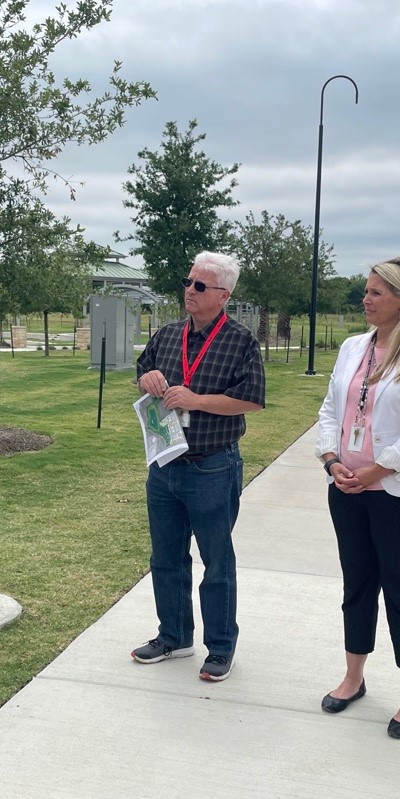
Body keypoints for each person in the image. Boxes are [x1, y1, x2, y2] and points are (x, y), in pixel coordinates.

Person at [315, 257, 400, 738]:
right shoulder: (354, 346)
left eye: (376, 292)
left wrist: (375, 469)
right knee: (357, 585)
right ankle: (353, 677)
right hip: (347, 489)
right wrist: (332, 460)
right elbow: (332, 408)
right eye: (366, 290)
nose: (366, 299)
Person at [131, 251, 265, 682]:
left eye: (200, 286)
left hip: (213, 466)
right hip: (164, 464)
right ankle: (173, 635)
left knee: (216, 561)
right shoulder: (168, 334)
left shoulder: (240, 341)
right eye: (188, 282)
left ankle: (221, 647)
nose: (189, 290)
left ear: (223, 295)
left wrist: (197, 401)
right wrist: (147, 378)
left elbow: (252, 400)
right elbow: (144, 368)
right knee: (166, 557)